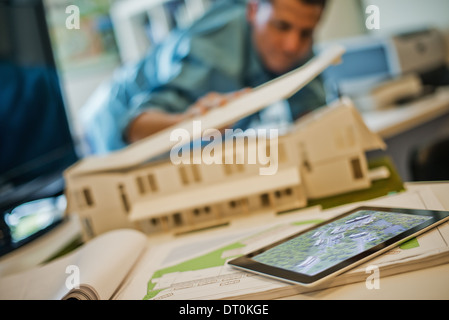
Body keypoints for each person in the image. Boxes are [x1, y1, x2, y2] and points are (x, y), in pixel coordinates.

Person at [82, 0, 327, 154]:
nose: (292, 46)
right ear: (253, 9)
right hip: (111, 118)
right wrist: (192, 123)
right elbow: (134, 128)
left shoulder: (298, 46)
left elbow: (312, 117)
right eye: (281, 26)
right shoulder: (212, 53)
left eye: (306, 33)